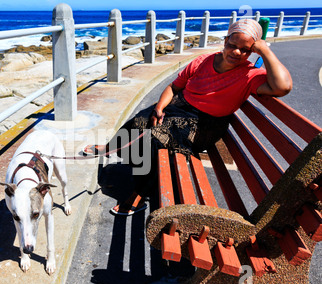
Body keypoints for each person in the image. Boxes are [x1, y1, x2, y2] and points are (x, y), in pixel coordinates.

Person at [83, 19, 292, 215]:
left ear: (253, 51)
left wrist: (264, 50)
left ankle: (140, 191)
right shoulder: (203, 61)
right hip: (179, 108)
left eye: (246, 49)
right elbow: (173, 88)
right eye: (233, 44)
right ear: (226, 40)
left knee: (156, 140)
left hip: (204, 124)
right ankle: (111, 148)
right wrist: (160, 107)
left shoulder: (250, 75)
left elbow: (283, 86)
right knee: (139, 120)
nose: (236, 52)